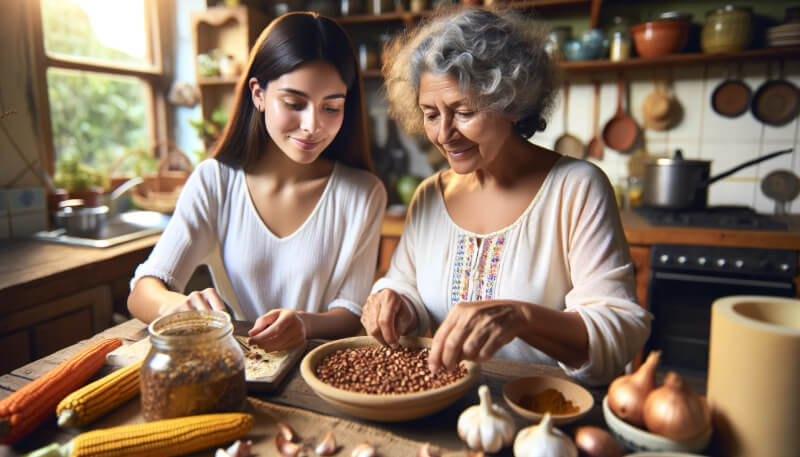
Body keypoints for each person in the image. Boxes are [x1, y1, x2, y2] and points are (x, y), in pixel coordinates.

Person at [360, 7, 651, 385]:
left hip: (542, 416)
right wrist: (392, 301)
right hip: (449, 407)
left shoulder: (577, 188)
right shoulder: (430, 194)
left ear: (511, 102)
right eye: (431, 114)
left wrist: (521, 317)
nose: (445, 133)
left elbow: (619, 332)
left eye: (463, 111)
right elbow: (407, 287)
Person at [128, 12, 386, 352]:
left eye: (331, 107)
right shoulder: (214, 182)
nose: (312, 125)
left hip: (316, 374)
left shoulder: (363, 194)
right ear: (258, 94)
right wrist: (173, 307)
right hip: (235, 365)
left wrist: (303, 324)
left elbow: (352, 312)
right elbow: (143, 290)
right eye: (295, 103)